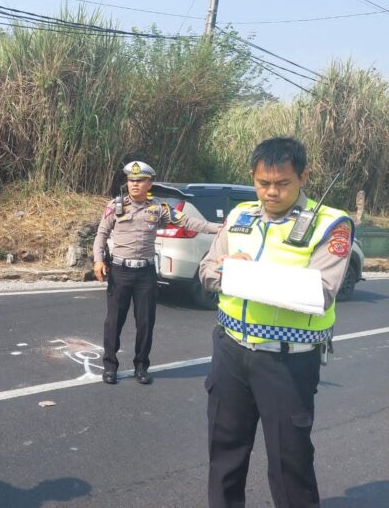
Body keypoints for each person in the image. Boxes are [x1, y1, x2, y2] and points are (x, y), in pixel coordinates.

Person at [198, 137, 353, 508]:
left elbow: (319, 292)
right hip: (231, 351)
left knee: (290, 464)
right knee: (224, 455)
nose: (271, 192)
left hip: (288, 361)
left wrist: (239, 272)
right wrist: (231, 273)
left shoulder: (331, 224)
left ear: (303, 177)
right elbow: (206, 271)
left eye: (282, 183)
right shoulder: (240, 217)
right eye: (262, 183)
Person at [92, 161, 220, 385]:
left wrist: (219, 229)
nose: (134, 185)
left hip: (146, 274)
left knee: (145, 322)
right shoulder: (115, 206)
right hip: (120, 271)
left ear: (149, 183)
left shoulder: (158, 208)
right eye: (131, 180)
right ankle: (110, 366)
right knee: (113, 322)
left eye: (140, 180)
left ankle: (141, 367)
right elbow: (101, 234)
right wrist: (98, 260)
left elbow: (189, 222)